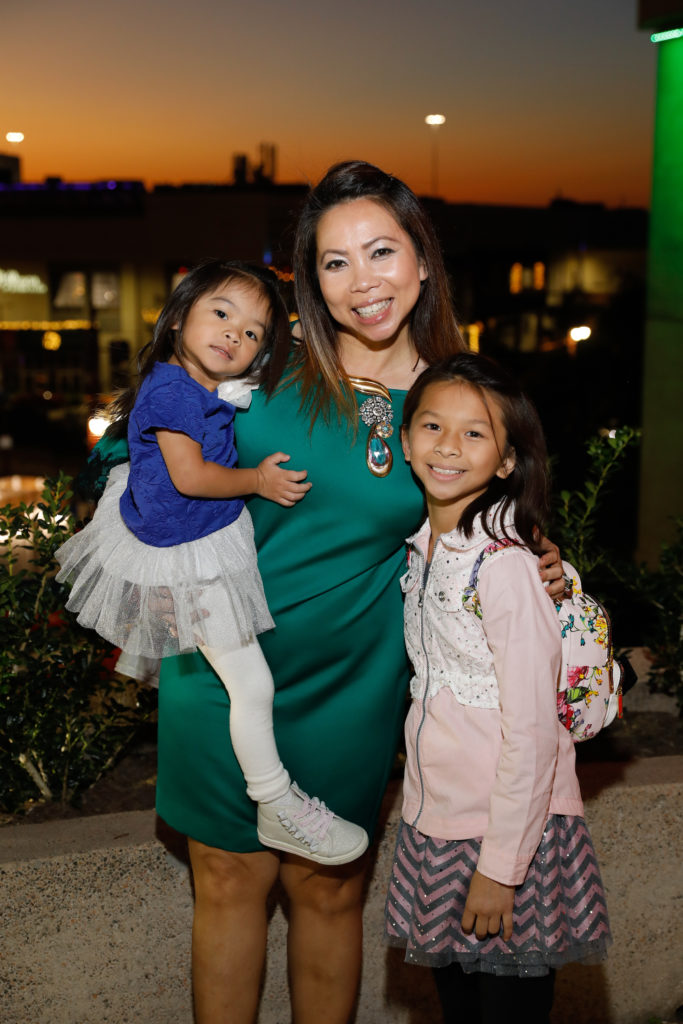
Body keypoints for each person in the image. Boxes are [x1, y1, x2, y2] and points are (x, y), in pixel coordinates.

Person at [87, 162, 565, 1024]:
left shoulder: (451, 396)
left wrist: (534, 552)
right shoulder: (261, 357)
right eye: (333, 263)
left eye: (380, 251)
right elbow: (145, 447)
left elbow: (480, 516)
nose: (360, 282)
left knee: (330, 894)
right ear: (310, 278)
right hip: (221, 662)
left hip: (352, 676)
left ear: (421, 258)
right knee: (228, 882)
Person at [55, 259, 368, 866]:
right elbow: (192, 477)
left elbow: (250, 361)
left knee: (240, 680)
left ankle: (274, 801)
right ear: (177, 321)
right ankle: (276, 802)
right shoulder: (172, 389)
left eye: (252, 332)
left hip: (185, 537)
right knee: (253, 684)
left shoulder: (188, 379)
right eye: (221, 315)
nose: (235, 334)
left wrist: (297, 330)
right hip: (187, 551)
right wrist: (257, 479)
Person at [385, 352, 611, 1023]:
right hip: (438, 823)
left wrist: (500, 867)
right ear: (404, 439)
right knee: (461, 1008)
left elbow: (534, 730)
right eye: (431, 426)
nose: (448, 446)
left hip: (506, 836)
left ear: (508, 460)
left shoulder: (505, 567)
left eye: (475, 433)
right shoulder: (423, 548)